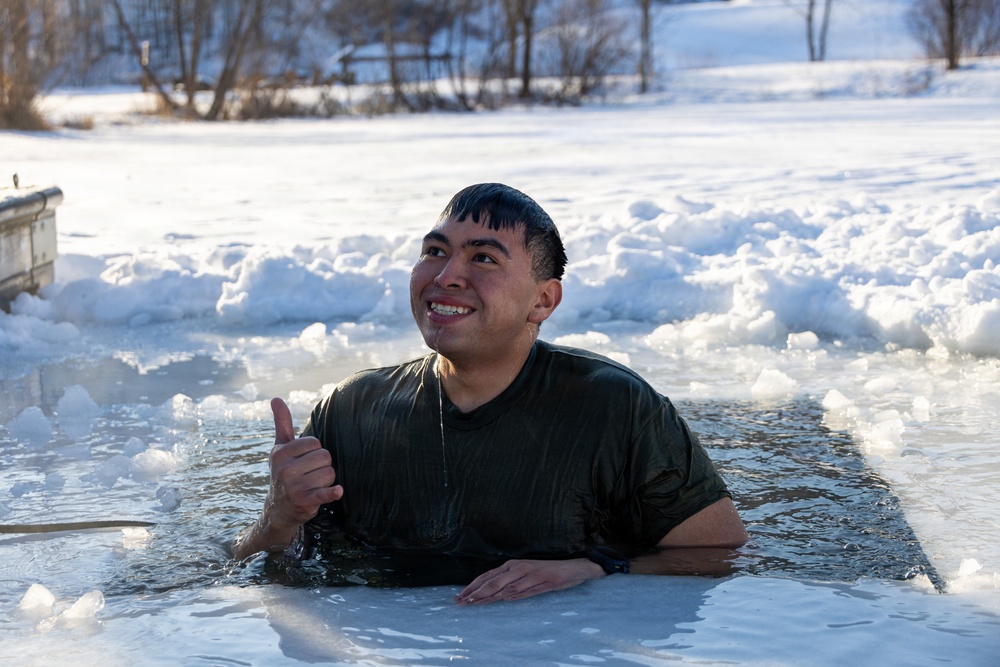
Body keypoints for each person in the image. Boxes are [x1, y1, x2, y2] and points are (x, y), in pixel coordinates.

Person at [232, 183, 748, 604]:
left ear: (542, 301)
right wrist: (277, 517)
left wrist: (595, 567)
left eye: (483, 258)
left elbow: (721, 553)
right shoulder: (352, 409)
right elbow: (265, 567)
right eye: (435, 252)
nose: (447, 276)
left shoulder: (617, 407)